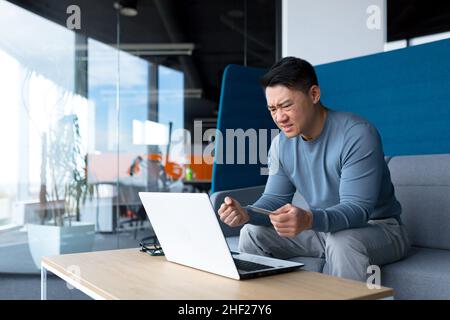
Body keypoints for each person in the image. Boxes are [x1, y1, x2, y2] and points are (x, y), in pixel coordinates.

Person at [218, 57, 410, 282]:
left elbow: (357, 210)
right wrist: (246, 213)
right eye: (273, 109)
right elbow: (273, 199)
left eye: (287, 105)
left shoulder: (357, 134)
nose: (280, 117)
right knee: (252, 233)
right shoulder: (281, 144)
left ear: (314, 94)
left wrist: (309, 220)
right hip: (325, 230)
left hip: (378, 229)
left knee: (343, 241)